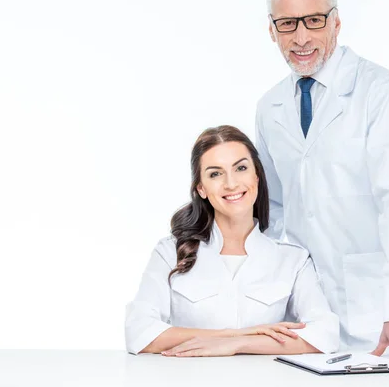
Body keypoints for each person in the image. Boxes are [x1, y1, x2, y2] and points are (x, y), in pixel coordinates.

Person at [255, 0, 389, 363]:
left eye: (313, 20)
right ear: (271, 30)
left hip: (374, 314)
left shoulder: (381, 92)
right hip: (299, 317)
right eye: (288, 24)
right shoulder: (269, 107)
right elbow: (270, 211)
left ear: (336, 22)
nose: (301, 37)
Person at [125, 125, 339, 356]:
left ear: (256, 175)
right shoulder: (170, 253)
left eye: (241, 168)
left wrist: (238, 344)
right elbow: (139, 332)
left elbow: (325, 334)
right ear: (201, 188)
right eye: (215, 173)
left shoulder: (293, 259)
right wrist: (234, 334)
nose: (231, 183)